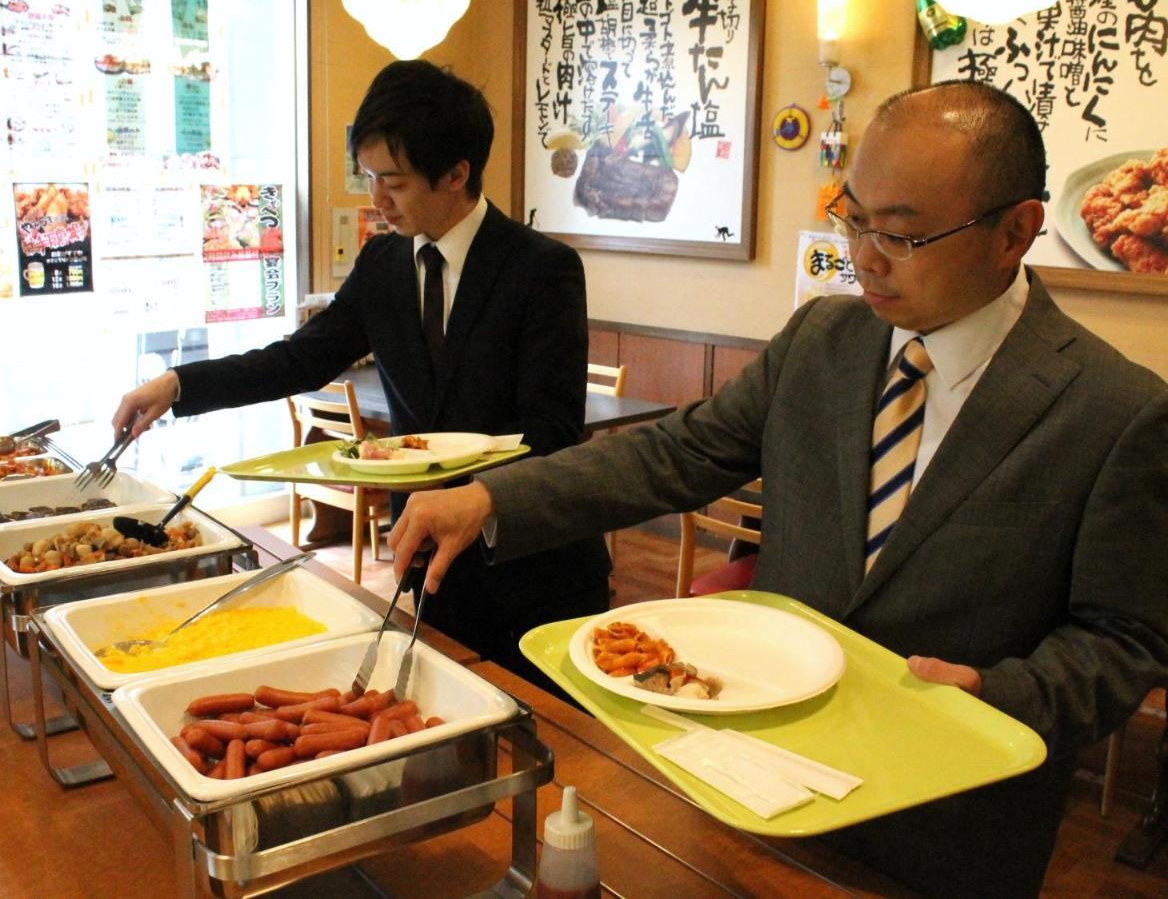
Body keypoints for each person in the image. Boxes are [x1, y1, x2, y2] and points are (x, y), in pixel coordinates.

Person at [388, 80, 1168, 897]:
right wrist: (495, 499)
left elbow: (1122, 640)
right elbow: (676, 452)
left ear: (1016, 231)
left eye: (901, 234)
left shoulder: (1115, 410)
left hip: (949, 818)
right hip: (761, 779)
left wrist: (994, 692)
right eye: (853, 216)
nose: (863, 256)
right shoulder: (824, 341)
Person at [111, 59, 611, 684]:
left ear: (456, 173)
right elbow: (300, 359)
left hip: (530, 561)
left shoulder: (541, 269)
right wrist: (180, 385)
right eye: (369, 176)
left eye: (393, 183)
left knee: (547, 747)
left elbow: (552, 428)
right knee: (440, 733)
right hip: (428, 556)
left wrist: (472, 496)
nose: (375, 200)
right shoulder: (383, 264)